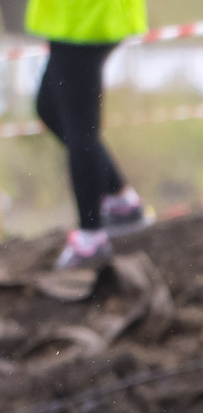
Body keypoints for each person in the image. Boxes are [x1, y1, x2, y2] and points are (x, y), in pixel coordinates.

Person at [29, 0, 149, 269]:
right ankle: (121, 202)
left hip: (81, 18)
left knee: (80, 127)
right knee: (50, 107)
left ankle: (91, 237)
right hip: (77, 17)